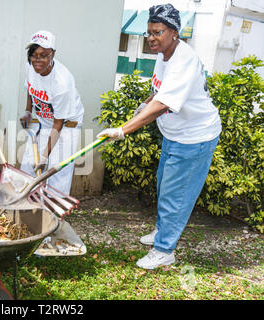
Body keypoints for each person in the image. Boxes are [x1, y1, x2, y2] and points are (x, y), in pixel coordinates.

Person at [97, 3, 222, 269]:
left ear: (174, 32)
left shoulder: (184, 60)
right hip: (175, 134)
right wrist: (143, 104)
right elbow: (159, 91)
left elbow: (164, 103)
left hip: (194, 138)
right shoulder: (164, 54)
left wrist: (124, 129)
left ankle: (165, 249)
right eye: (149, 32)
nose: (151, 38)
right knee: (164, 185)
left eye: (158, 32)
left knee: (176, 195)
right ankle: (163, 230)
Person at [19, 30, 84, 195]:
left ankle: (52, 215)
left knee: (57, 172)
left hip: (67, 126)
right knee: (28, 165)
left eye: (43, 55)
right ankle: (26, 208)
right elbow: (30, 89)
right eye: (34, 55)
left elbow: (58, 124)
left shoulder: (62, 83)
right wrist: (28, 111)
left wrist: (45, 156)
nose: (37, 60)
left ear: (53, 54)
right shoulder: (30, 67)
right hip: (44, 122)